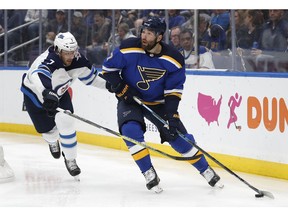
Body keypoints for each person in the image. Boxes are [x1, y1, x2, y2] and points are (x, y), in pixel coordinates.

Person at [101, 17, 222, 193]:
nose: (144, 36)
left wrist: (172, 114)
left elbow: (173, 91)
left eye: (149, 34)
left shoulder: (173, 58)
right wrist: (121, 87)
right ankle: (148, 172)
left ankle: (205, 169)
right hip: (131, 100)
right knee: (130, 131)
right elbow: (108, 70)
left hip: (159, 103)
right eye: (143, 31)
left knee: (179, 139)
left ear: (159, 37)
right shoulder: (128, 48)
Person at [20, 32, 105, 180]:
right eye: (67, 52)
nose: (71, 56)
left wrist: (111, 86)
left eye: (73, 51)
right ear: (58, 50)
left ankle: (70, 159)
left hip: (59, 93)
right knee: (48, 131)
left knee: (66, 121)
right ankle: (52, 141)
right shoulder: (47, 60)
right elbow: (37, 74)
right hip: (34, 95)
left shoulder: (78, 60)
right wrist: (46, 92)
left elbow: (92, 78)